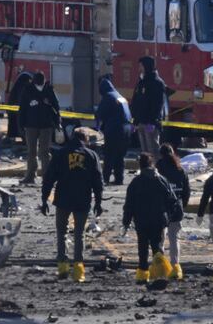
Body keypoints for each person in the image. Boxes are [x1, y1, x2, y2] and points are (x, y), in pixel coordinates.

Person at [41, 129, 103, 283]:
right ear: (85, 139)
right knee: (79, 234)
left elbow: (49, 177)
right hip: (82, 199)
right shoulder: (91, 155)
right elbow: (98, 181)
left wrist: (44, 199)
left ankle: (62, 267)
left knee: (62, 232)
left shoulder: (61, 154)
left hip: (63, 199)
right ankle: (78, 270)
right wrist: (99, 202)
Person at [122, 152, 178, 284]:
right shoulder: (161, 180)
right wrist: (168, 216)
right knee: (157, 247)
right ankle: (160, 274)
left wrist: (126, 221)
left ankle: (142, 274)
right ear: (152, 164)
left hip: (141, 220)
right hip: (158, 219)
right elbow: (172, 199)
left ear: (140, 166)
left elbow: (129, 204)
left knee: (142, 247)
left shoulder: (136, 182)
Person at [19, 71, 61, 184]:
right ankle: (30, 176)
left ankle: (47, 176)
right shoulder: (27, 90)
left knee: (44, 152)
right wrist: (21, 124)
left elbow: (56, 107)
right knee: (31, 152)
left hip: (46, 125)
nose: (40, 86)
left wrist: (58, 122)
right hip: (31, 125)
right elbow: (22, 108)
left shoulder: (49, 90)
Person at [156, 143, 190, 280]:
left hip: (161, 208)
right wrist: (183, 204)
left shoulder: (158, 169)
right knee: (174, 238)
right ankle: (175, 266)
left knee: (160, 238)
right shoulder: (180, 169)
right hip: (176, 208)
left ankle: (160, 266)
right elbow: (187, 190)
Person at [96, 76, 131, 185]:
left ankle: (105, 178)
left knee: (109, 154)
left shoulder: (108, 97)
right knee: (120, 156)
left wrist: (98, 128)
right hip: (127, 129)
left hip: (115, 129)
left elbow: (99, 114)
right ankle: (119, 178)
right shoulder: (120, 96)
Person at [131, 56, 167, 154]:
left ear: (147, 66)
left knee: (153, 150)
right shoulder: (141, 82)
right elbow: (135, 101)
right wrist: (135, 121)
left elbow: (158, 105)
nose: (139, 69)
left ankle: (156, 168)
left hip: (150, 124)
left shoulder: (157, 83)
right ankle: (146, 169)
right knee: (144, 152)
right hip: (140, 122)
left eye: (141, 66)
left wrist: (153, 121)